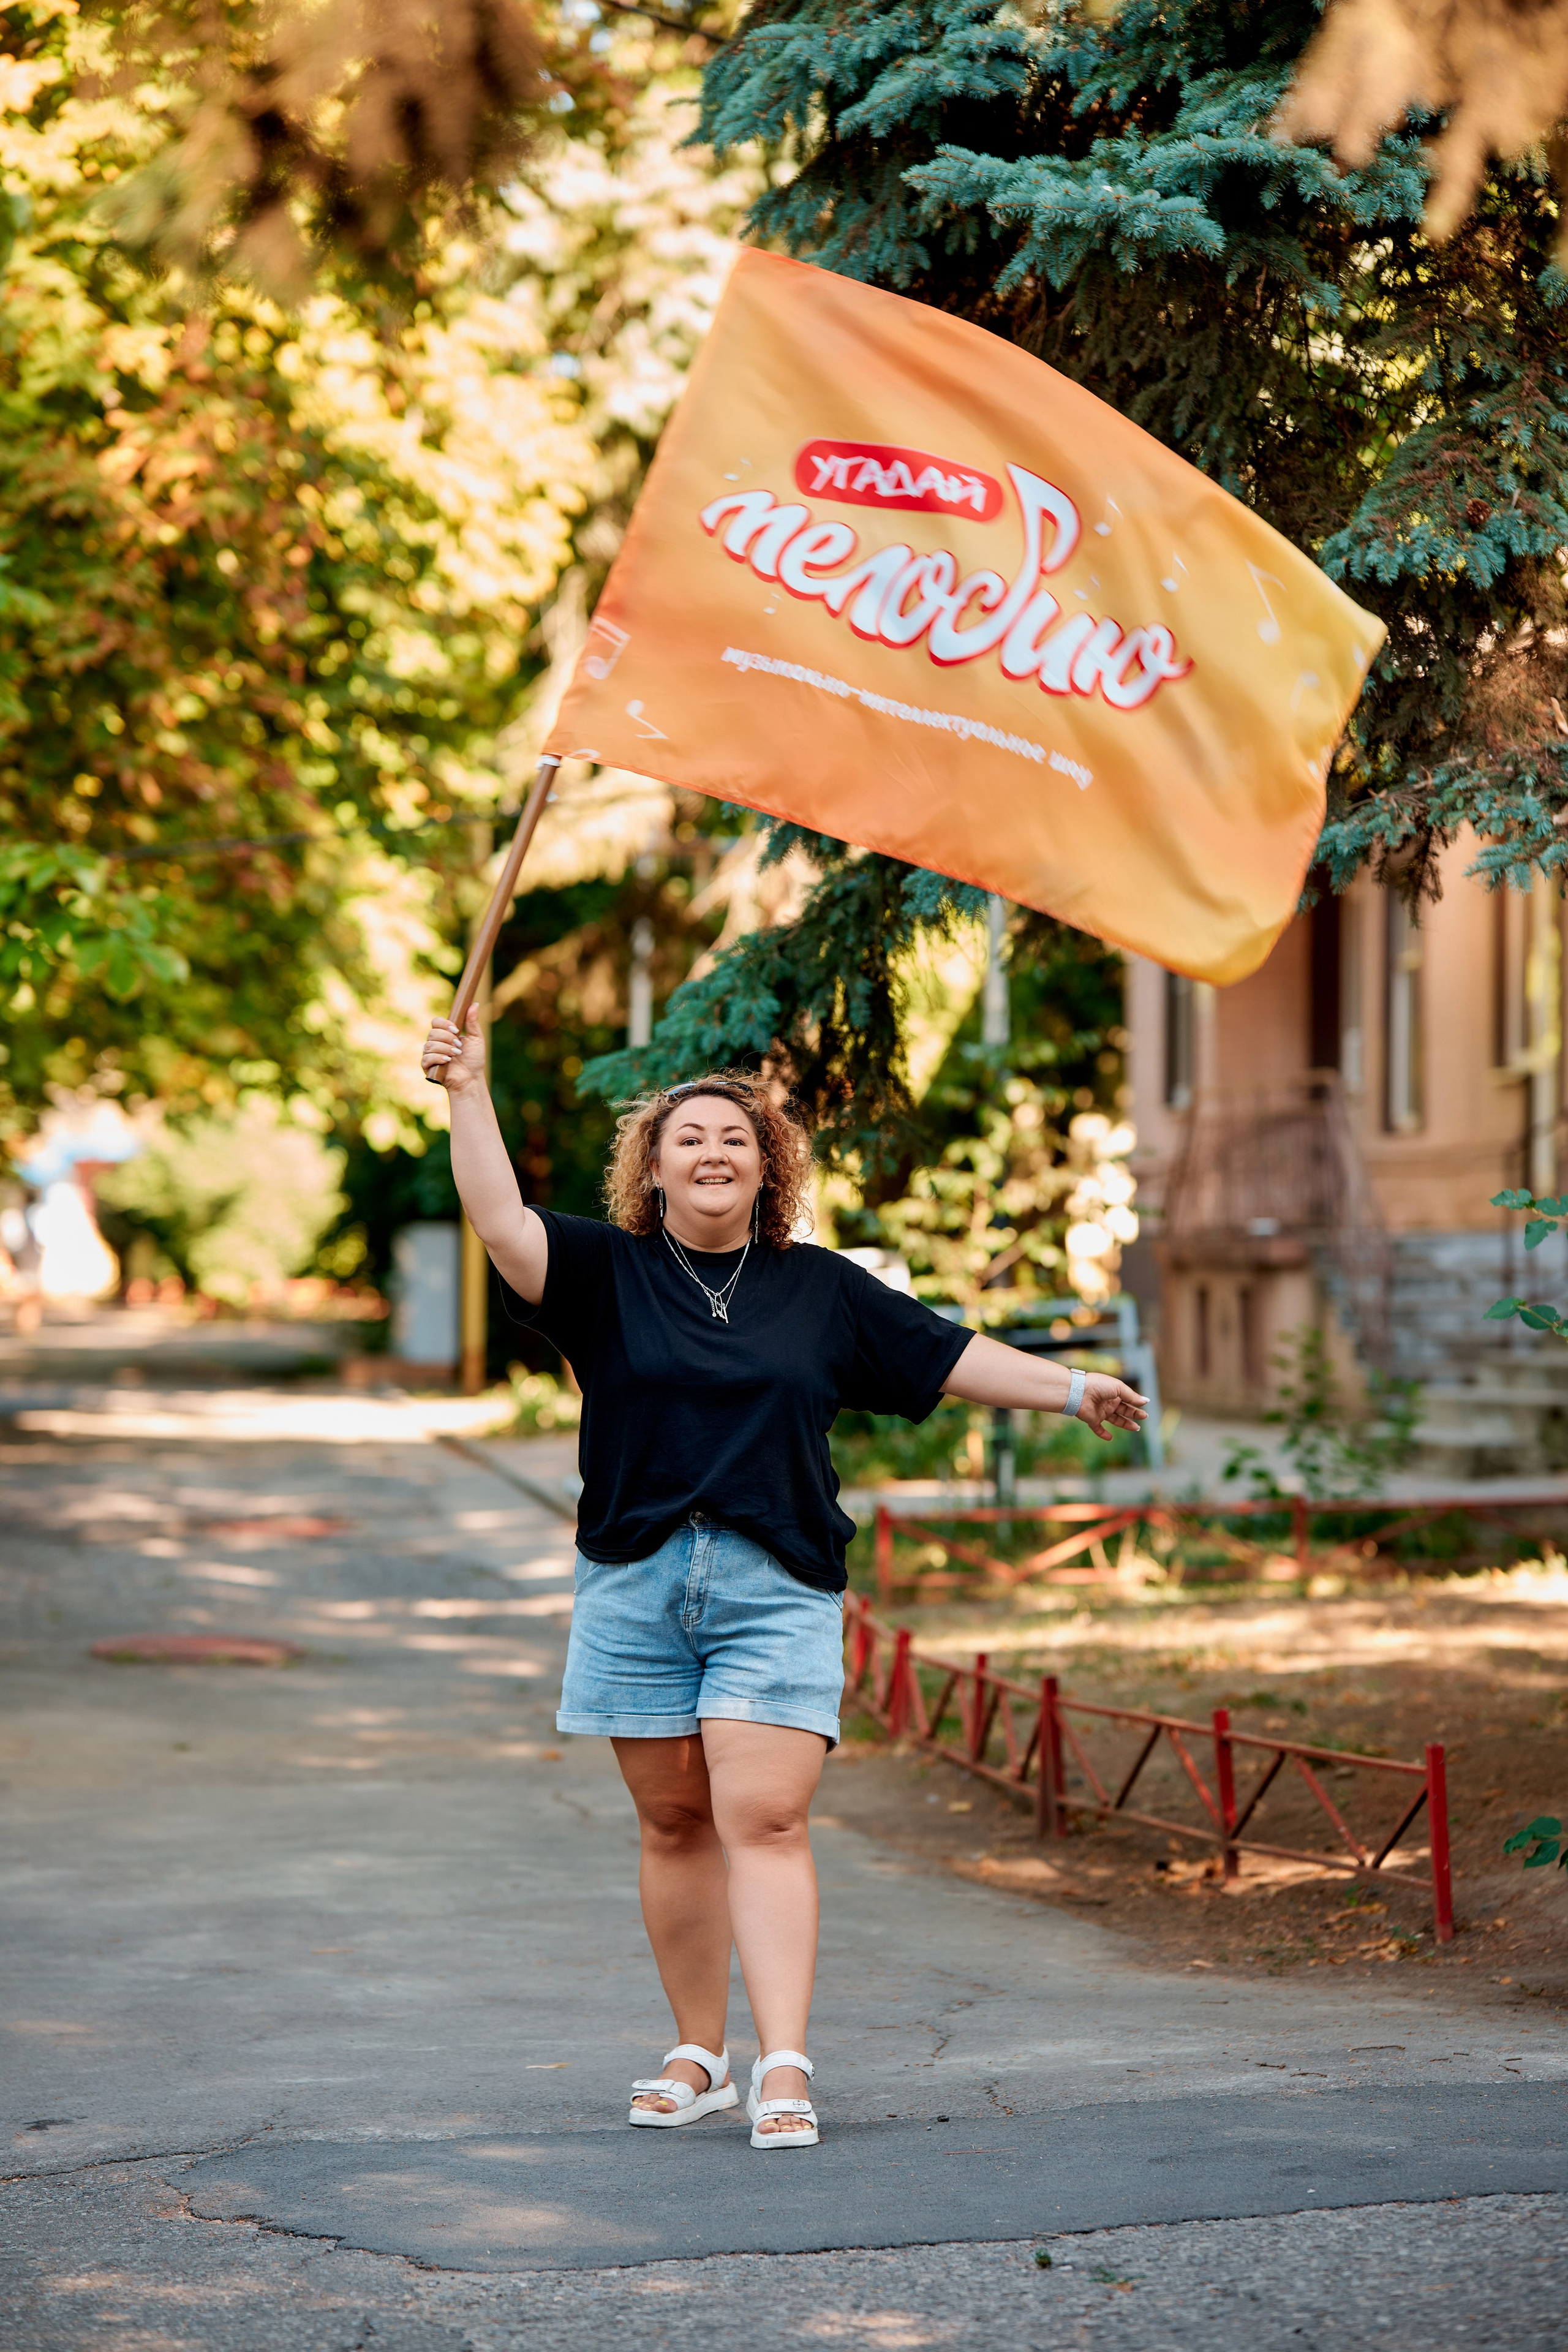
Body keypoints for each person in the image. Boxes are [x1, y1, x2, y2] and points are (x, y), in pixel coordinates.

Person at [421, 1009, 1147, 2149]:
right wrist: (468, 1089)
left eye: (738, 1141)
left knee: (762, 1817)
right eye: (690, 1139)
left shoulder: (820, 1288)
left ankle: (787, 2068)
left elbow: (944, 1352)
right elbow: (500, 1218)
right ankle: (698, 2053)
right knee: (672, 1825)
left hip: (777, 1582)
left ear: (769, 1170)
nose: (714, 1153)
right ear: (651, 1169)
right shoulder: (604, 1274)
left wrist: (1073, 1389)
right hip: (635, 1582)